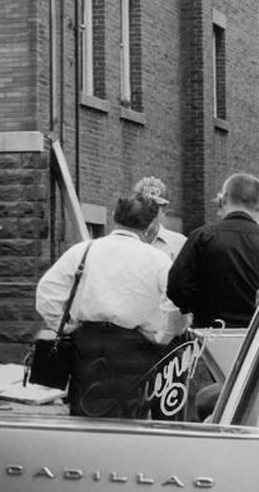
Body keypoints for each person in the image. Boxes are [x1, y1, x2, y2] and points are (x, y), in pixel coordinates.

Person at [36, 195, 187, 418]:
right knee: (129, 413)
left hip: (87, 341)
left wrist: (64, 326)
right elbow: (177, 303)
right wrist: (162, 337)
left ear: (114, 216)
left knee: (85, 410)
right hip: (135, 345)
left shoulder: (83, 251)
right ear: (150, 224)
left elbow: (47, 292)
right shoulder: (158, 259)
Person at [167, 172, 259, 331]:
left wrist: (200, 307)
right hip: (254, 340)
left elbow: (177, 287)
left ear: (224, 199)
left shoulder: (202, 237)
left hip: (209, 333)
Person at [133, 176, 187, 259]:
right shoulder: (121, 242)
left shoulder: (179, 243)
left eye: (153, 208)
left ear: (164, 211)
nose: (147, 213)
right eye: (142, 207)